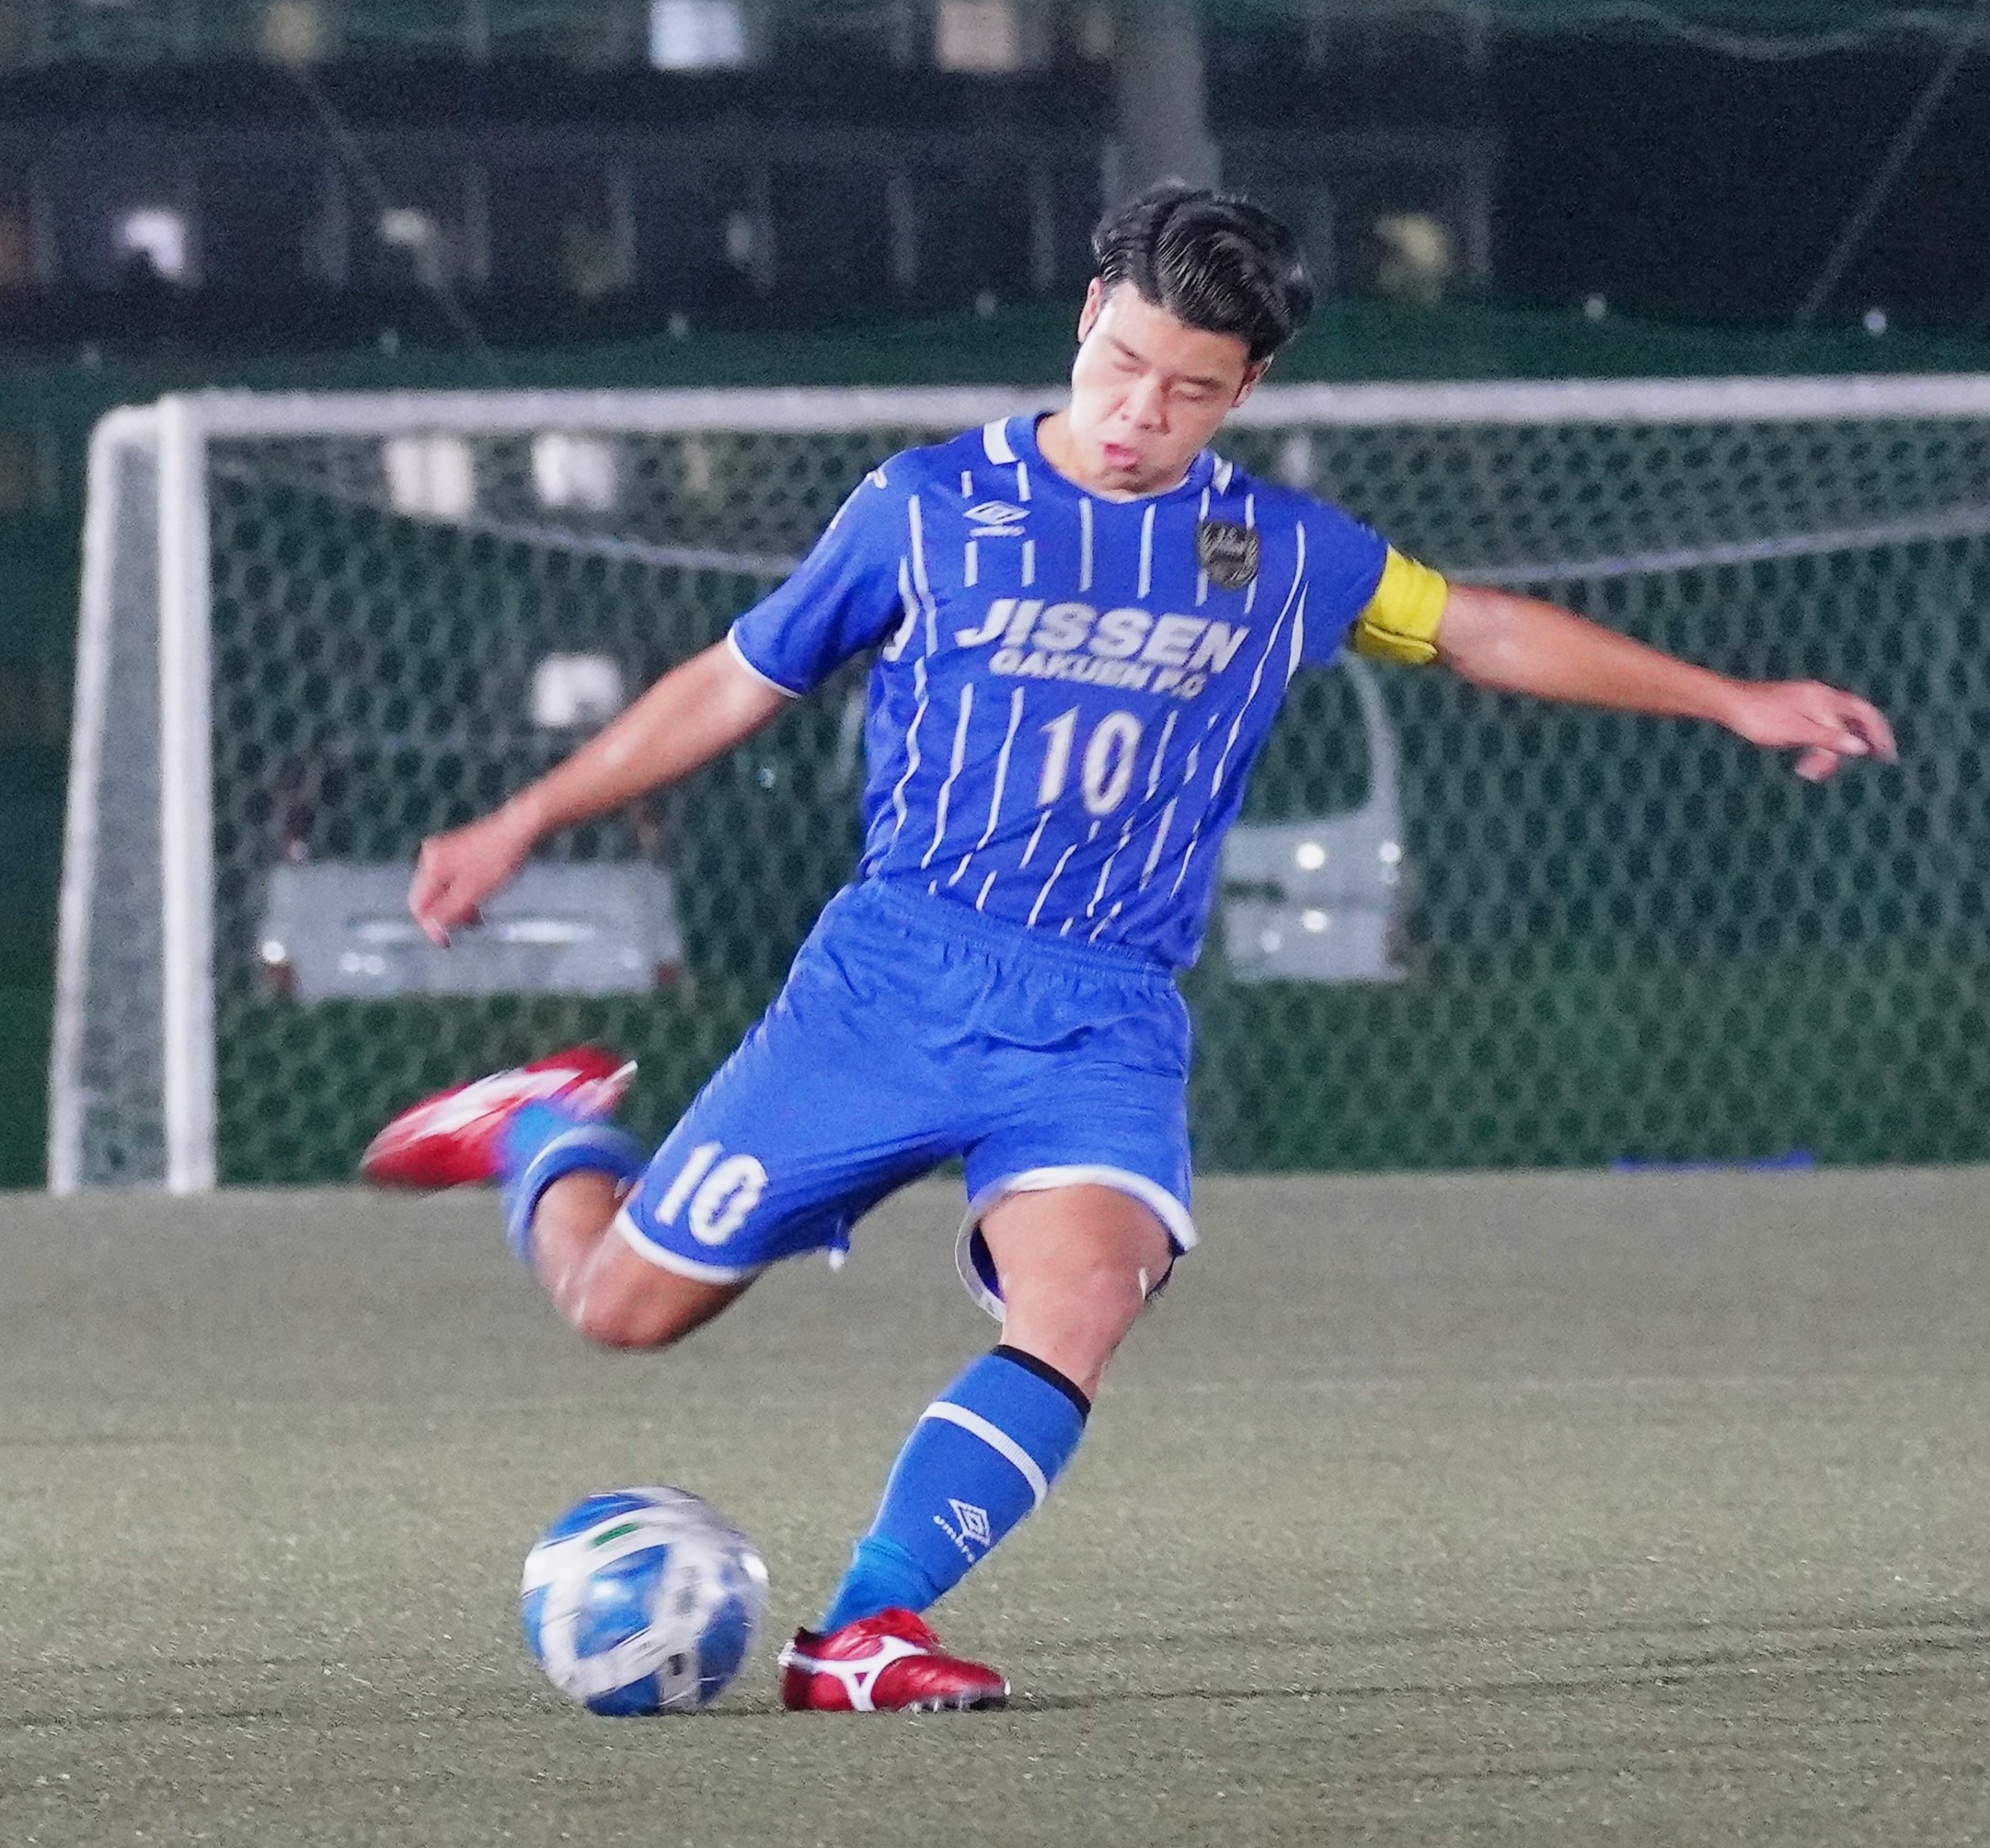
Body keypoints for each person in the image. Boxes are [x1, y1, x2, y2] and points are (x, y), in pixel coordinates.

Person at [362, 185, 1897, 1713]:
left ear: (1250, 391)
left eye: (1190, 393)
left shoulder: (1276, 552)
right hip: (893, 983)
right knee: (623, 1313)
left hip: (1099, 1022)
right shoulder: (926, 508)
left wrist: (1731, 698)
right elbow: (734, 681)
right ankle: (545, 1130)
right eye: (1124, 367)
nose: (1139, 415)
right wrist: (522, 818)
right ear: (1088, 315)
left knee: (1085, 1295)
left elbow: (1482, 628)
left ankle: (863, 1631)